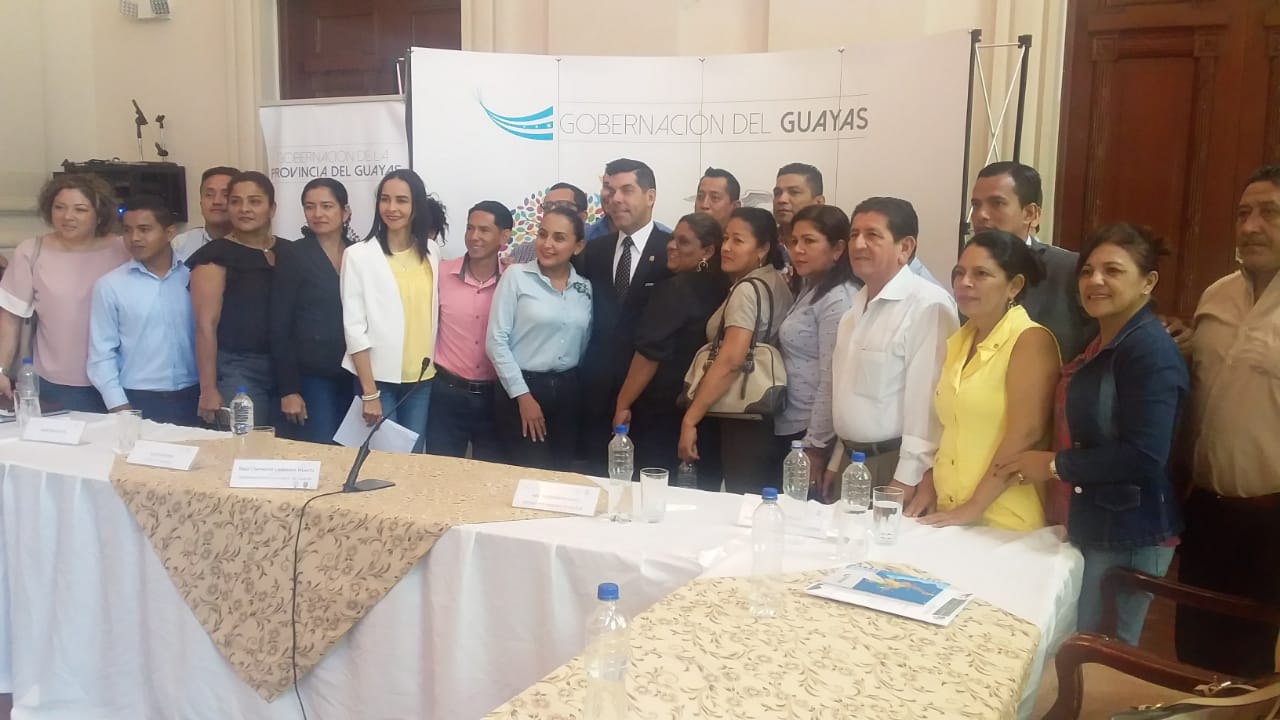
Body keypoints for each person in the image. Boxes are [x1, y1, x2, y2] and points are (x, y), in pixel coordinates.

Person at [995, 223, 1187, 646]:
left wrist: (1053, 465)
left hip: (1127, 532)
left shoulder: (1149, 351)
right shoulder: (1101, 341)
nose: (1095, 280)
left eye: (1113, 271)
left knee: (1102, 654)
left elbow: (1145, 454)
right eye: (1087, 271)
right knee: (1073, 645)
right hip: (1088, 519)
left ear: (1148, 282)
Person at [1175, 165, 1280, 677]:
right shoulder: (1216, 295)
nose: (1251, 226)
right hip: (1207, 511)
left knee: (1258, 667)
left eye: (1270, 213)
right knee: (1196, 650)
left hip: (1272, 518)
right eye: (1243, 213)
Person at [914, 230, 1060, 529]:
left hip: (1002, 518)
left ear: (1014, 286)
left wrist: (972, 508)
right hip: (949, 509)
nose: (964, 283)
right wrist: (930, 481)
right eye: (959, 273)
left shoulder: (1030, 339)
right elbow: (951, 427)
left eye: (981, 274)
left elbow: (1025, 435)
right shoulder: (960, 341)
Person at [823, 197, 959, 506]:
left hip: (893, 465)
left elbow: (928, 405)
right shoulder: (853, 309)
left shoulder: (928, 305)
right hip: (851, 460)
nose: (858, 244)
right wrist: (836, 459)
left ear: (905, 248)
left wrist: (907, 478)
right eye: (854, 234)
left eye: (872, 235)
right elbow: (847, 394)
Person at [678, 207, 794, 495]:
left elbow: (731, 359)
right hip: (764, 414)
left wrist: (690, 419)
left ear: (763, 248)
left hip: (742, 413)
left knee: (741, 502)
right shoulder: (775, 281)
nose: (726, 247)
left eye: (738, 241)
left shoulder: (747, 290)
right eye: (726, 238)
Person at [613, 212, 729, 485]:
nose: (672, 246)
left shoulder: (674, 289)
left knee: (653, 489)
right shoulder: (726, 287)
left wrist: (622, 404)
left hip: (662, 412)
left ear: (708, 251)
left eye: (683, 242)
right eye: (673, 238)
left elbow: (649, 355)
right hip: (704, 412)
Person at [0, 174, 129, 412]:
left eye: (80, 209)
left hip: (121, 379)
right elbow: (10, 317)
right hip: (56, 382)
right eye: (59, 207)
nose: (67, 216)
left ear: (100, 214)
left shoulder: (124, 249)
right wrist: (1, 369)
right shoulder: (31, 251)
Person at [578, 158, 673, 472]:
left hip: (653, 401)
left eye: (627, 190)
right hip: (596, 397)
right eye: (610, 189)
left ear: (650, 196)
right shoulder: (595, 251)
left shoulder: (672, 252)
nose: (615, 198)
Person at [341, 169, 445, 453]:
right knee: (383, 463)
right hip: (379, 381)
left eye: (402, 200)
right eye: (385, 199)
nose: (392, 208)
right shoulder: (358, 255)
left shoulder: (431, 251)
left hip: (421, 379)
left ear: (416, 206)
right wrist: (369, 392)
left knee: (412, 461)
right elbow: (354, 328)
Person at [486, 205, 592, 470]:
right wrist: (523, 396)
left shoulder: (584, 287)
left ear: (578, 246)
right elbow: (496, 341)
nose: (547, 244)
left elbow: (584, 341)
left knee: (562, 475)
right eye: (543, 234)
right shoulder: (516, 276)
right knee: (532, 475)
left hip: (568, 390)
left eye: (559, 238)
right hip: (523, 388)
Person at [86, 195, 199, 426]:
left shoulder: (194, 276)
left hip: (196, 395)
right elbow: (101, 354)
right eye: (127, 230)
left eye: (144, 229)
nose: (134, 238)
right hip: (138, 398)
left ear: (169, 233)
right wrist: (119, 407)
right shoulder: (110, 286)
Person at [970, 161, 1097, 362]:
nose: (980, 215)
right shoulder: (968, 271)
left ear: (1031, 214)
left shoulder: (1067, 270)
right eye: (976, 205)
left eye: (997, 203)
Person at [774, 204, 857, 494]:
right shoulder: (812, 287)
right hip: (793, 422)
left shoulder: (838, 299)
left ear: (837, 249)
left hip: (812, 430)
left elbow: (832, 377)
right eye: (793, 241)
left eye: (809, 241)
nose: (797, 250)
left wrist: (816, 447)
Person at [188, 171, 282, 427]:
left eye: (254, 201)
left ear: (272, 208)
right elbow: (205, 326)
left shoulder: (287, 251)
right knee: (246, 445)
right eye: (236, 202)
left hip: (286, 370)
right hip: (238, 370)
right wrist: (208, 389)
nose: (244, 209)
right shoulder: (214, 256)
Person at [270, 178, 355, 444]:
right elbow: (279, 324)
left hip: (355, 374)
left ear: (345, 211)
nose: (318, 214)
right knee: (322, 450)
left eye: (327, 206)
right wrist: (289, 389)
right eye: (310, 206)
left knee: (353, 452)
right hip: (312, 376)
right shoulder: (294, 254)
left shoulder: (359, 253)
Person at [424, 200, 509, 460]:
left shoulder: (514, 280)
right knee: (440, 473)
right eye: (470, 228)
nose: (474, 236)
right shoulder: (440, 274)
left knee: (492, 475)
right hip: (446, 394)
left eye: (484, 230)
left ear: (504, 236)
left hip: (496, 397)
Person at [172, 166, 238, 262]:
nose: (216, 201)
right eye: (209, 195)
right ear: (201, 203)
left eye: (226, 195)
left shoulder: (253, 245)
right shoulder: (179, 245)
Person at [772, 162, 825, 238]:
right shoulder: (762, 241)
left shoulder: (831, 242)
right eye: (777, 193)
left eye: (794, 192)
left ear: (819, 202)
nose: (781, 200)